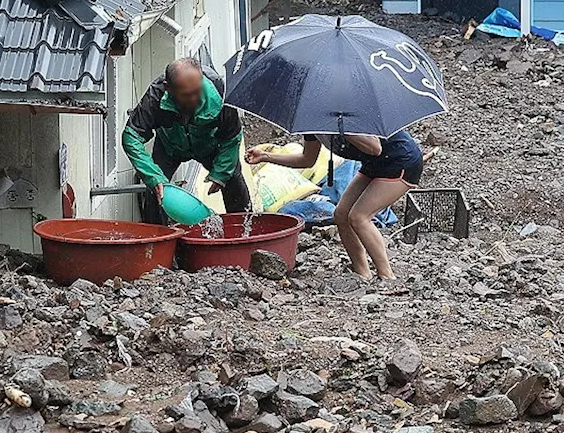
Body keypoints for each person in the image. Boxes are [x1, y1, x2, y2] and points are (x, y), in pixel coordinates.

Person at [246, 129, 423, 280]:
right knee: (341, 215)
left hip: (402, 161)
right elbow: (307, 160)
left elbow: (374, 147)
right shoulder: (313, 125)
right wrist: (266, 157)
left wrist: (343, 129)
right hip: (374, 164)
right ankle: (362, 273)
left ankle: (387, 276)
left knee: (359, 217)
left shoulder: (348, 114)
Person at [123, 58, 251, 223]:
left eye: (197, 91)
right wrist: (153, 176)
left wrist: (220, 173)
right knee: (157, 191)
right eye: (186, 95)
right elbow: (131, 136)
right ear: (168, 87)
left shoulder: (220, 94)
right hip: (170, 147)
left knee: (233, 180)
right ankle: (159, 239)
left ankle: (244, 230)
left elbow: (232, 137)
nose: (193, 99)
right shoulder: (155, 97)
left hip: (210, 146)